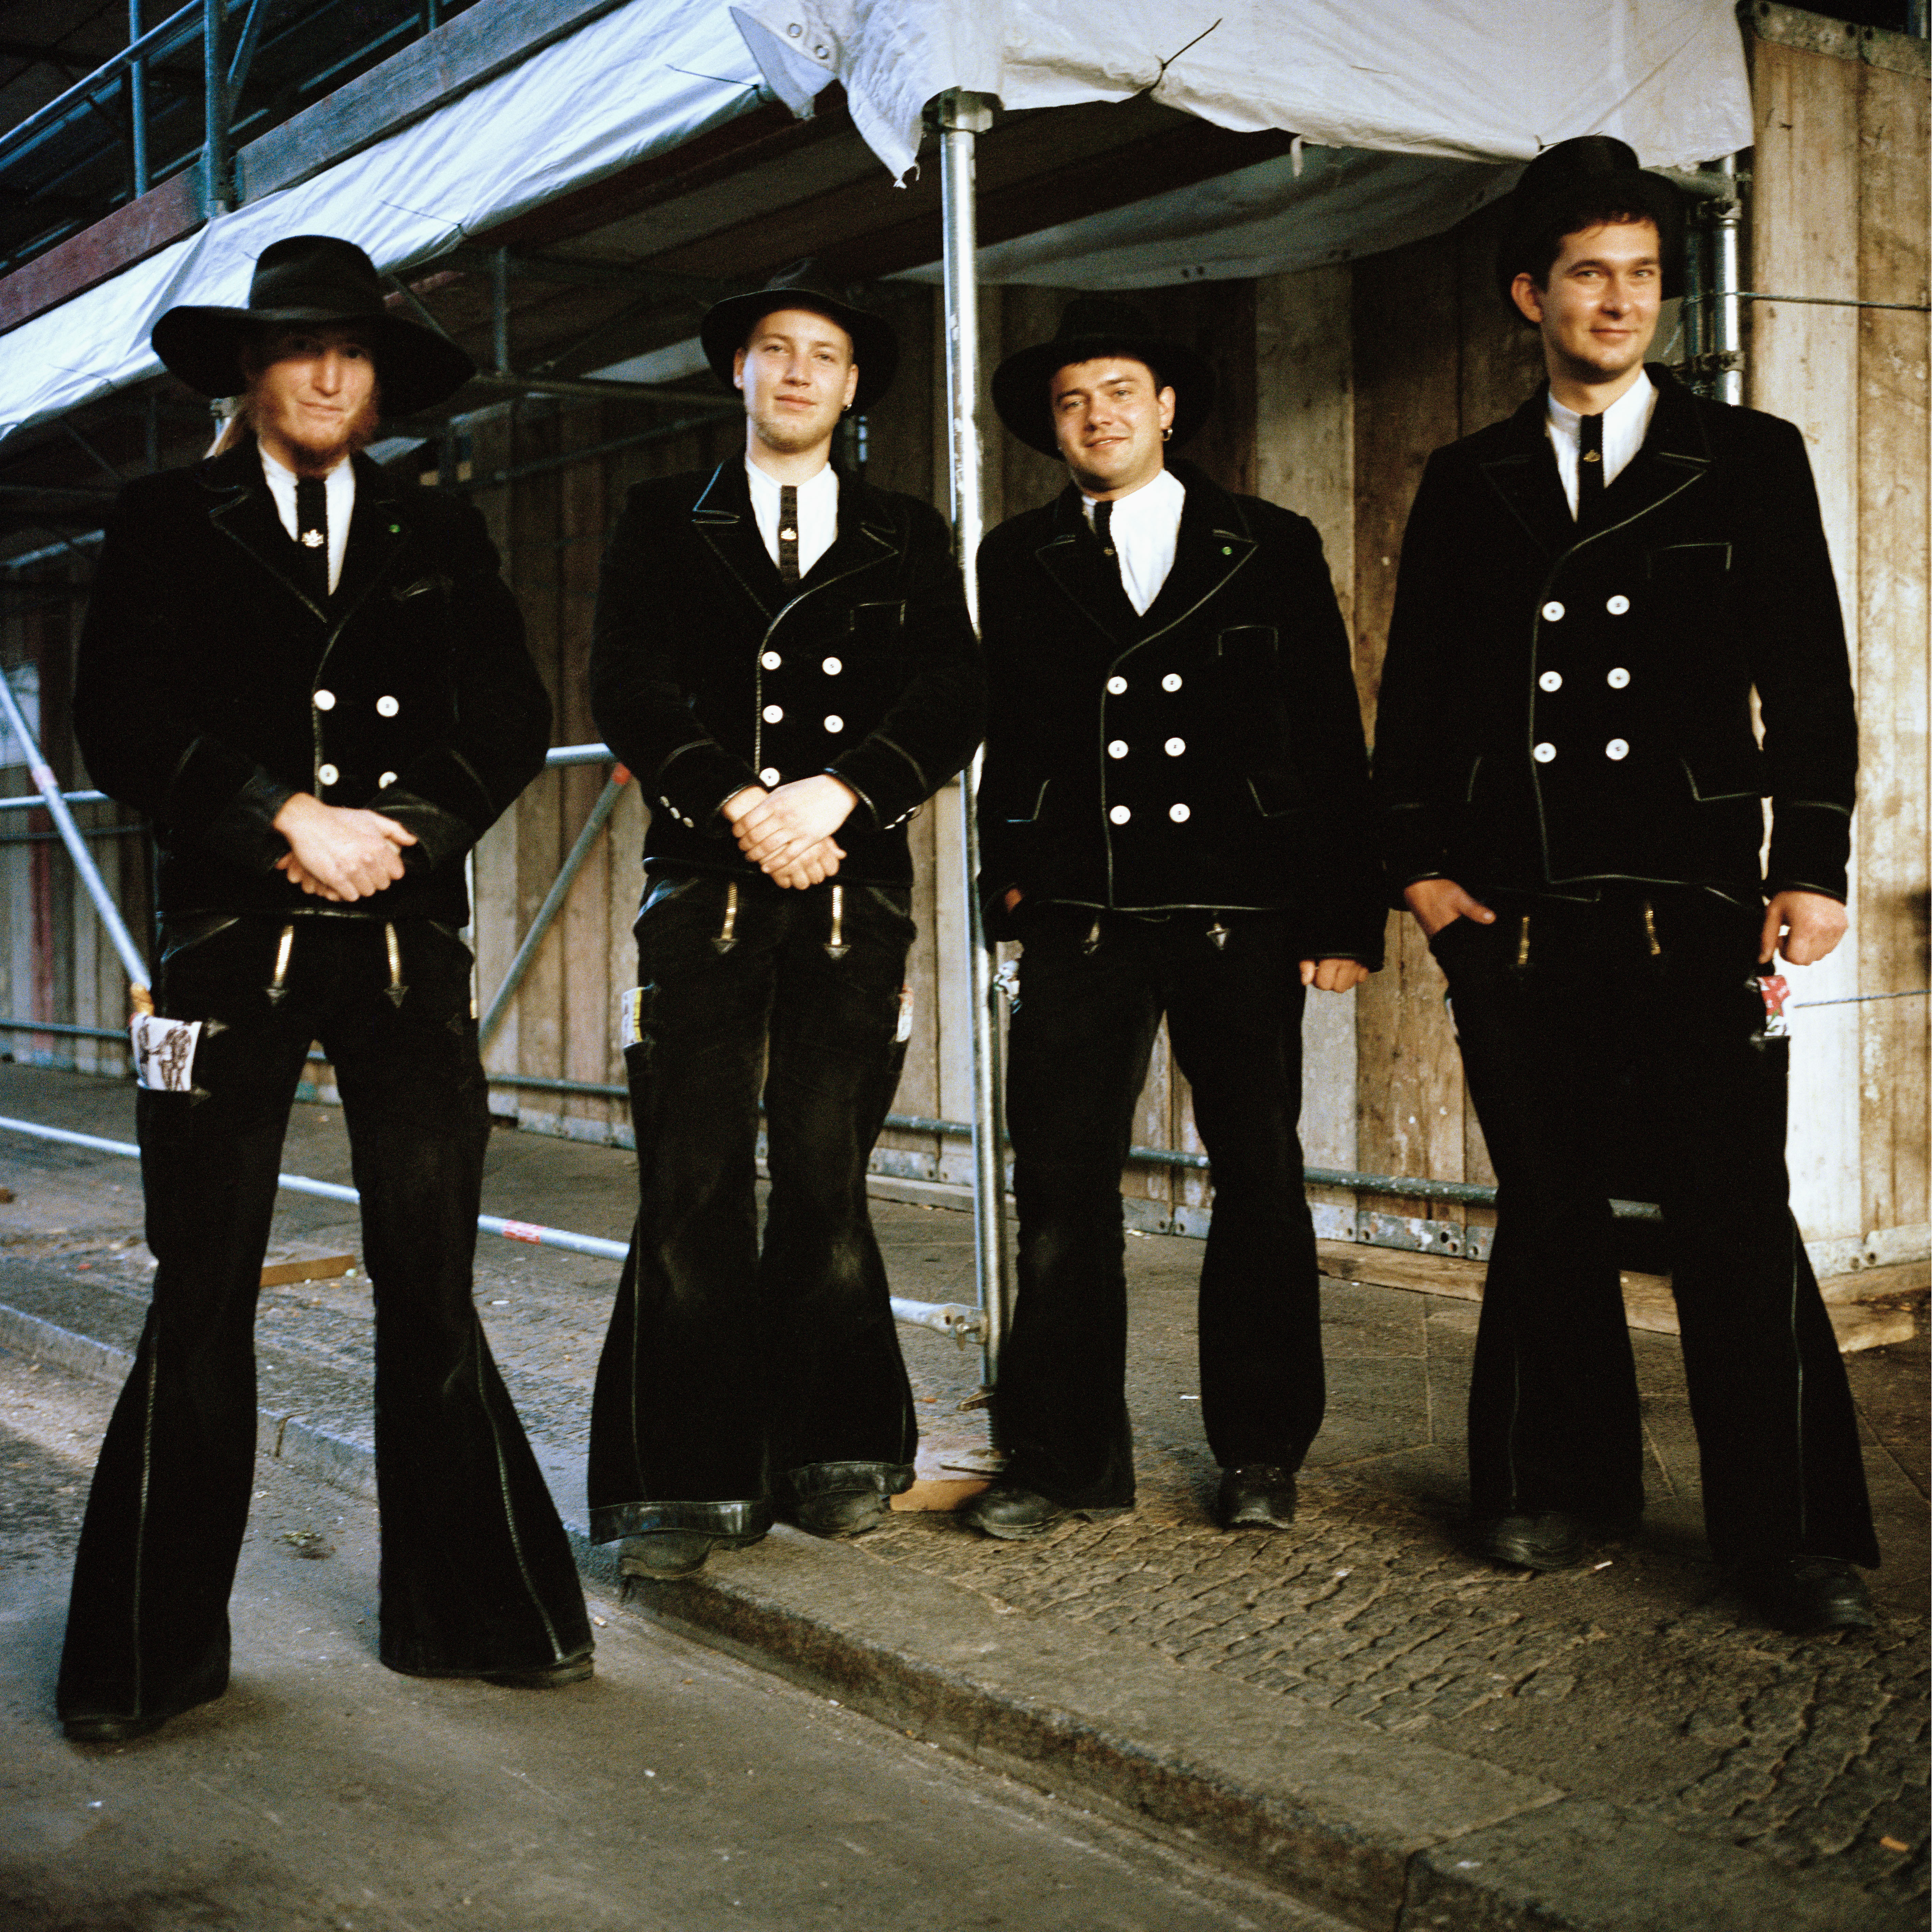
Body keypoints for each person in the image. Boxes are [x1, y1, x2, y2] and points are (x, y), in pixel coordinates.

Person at [58, 235, 593, 1743]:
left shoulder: (442, 525)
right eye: (299, 347)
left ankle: (474, 1614)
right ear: (252, 368)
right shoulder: (167, 518)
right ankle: (145, 1661)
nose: (328, 372)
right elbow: (122, 713)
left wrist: (407, 832)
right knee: (206, 1281)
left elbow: (507, 711)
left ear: (377, 378)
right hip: (230, 954)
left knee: (427, 1275)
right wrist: (282, 817)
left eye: (352, 351)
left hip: (406, 949)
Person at [1374, 137, 1878, 1630]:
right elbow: (1413, 695)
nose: (1617, 301)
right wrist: (1415, 868)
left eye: (1641, 275)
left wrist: (1810, 862)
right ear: (1530, 293)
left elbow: (1810, 679)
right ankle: (1549, 1479)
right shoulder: (1465, 482)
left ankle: (1787, 1534)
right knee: (1544, 1202)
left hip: (1692, 903)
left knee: (1731, 1207)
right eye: (1587, 273)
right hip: (1514, 913)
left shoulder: (1747, 458)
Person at [962, 297, 1383, 1541]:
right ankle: (1061, 1456)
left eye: (1120, 393)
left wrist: (1342, 913)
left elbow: (1326, 727)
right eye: (1073, 401)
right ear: (1056, 427)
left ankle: (1261, 1451)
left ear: (1168, 409)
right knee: (1062, 1185)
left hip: (1239, 914)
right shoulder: (1015, 554)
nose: (1098, 416)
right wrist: (1011, 889)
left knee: (1258, 1176)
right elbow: (1007, 737)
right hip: (1082, 917)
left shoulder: (1269, 542)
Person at [585, 262, 982, 1579]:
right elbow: (627, 682)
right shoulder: (662, 515)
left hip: (849, 889)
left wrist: (840, 794)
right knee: (690, 1177)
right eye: (774, 348)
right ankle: (683, 1476)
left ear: (854, 384)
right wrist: (737, 804)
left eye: (824, 353)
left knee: (824, 1172)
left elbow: (950, 694)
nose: (799, 369)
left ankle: (840, 1447)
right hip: (704, 883)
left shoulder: (909, 533)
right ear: (738, 372)